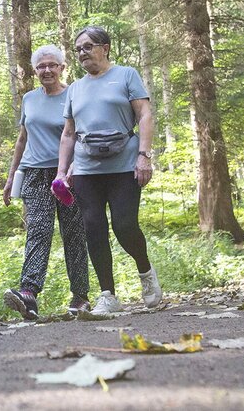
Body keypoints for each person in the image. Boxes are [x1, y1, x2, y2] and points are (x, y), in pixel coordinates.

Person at [55, 26, 162, 315]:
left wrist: (144, 156)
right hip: (87, 169)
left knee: (125, 225)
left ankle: (146, 273)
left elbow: (145, 114)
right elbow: (68, 133)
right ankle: (108, 295)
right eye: (78, 49)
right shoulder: (75, 88)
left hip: (125, 163)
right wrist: (61, 172)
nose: (82, 53)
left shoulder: (126, 75)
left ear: (105, 47)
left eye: (88, 46)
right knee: (94, 227)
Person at [2, 45, 91, 320]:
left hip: (68, 176)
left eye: (53, 65)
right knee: (38, 230)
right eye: (41, 66)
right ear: (35, 70)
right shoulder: (29, 99)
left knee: (74, 234)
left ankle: (80, 297)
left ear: (63, 67)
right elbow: (22, 138)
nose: (47, 70)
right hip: (35, 174)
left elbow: (82, 134)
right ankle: (28, 293)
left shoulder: (74, 94)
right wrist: (10, 175)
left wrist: (75, 168)